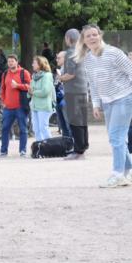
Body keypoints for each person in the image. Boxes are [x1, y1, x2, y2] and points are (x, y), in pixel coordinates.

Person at [73, 24, 132, 188]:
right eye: (88, 36)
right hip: (107, 102)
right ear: (84, 40)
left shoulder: (114, 53)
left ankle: (118, 174)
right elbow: (93, 83)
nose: (92, 38)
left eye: (95, 34)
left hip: (124, 98)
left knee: (116, 137)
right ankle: (128, 169)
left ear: (100, 35)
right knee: (116, 139)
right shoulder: (88, 60)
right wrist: (96, 104)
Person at [58, 30, 90, 159]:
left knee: (75, 121)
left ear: (68, 38)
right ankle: (83, 147)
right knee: (82, 121)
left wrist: (60, 78)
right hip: (82, 89)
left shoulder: (70, 52)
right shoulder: (82, 51)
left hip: (73, 91)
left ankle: (78, 151)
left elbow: (70, 74)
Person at [0, 54, 31, 157]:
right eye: (9, 61)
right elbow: (2, 88)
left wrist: (18, 86)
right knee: (5, 129)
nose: (10, 63)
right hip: (8, 107)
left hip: (20, 106)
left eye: (12, 61)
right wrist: (3, 101)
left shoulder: (24, 73)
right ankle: (3, 151)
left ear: (16, 62)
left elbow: (30, 87)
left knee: (23, 129)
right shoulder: (5, 73)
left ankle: (23, 151)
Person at [29, 56, 55, 143]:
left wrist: (33, 92)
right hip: (34, 106)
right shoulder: (34, 76)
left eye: (34, 63)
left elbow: (45, 91)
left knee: (43, 128)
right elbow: (30, 90)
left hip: (44, 106)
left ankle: (50, 146)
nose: (32, 65)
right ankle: (40, 147)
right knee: (36, 129)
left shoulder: (47, 76)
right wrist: (29, 92)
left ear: (40, 64)